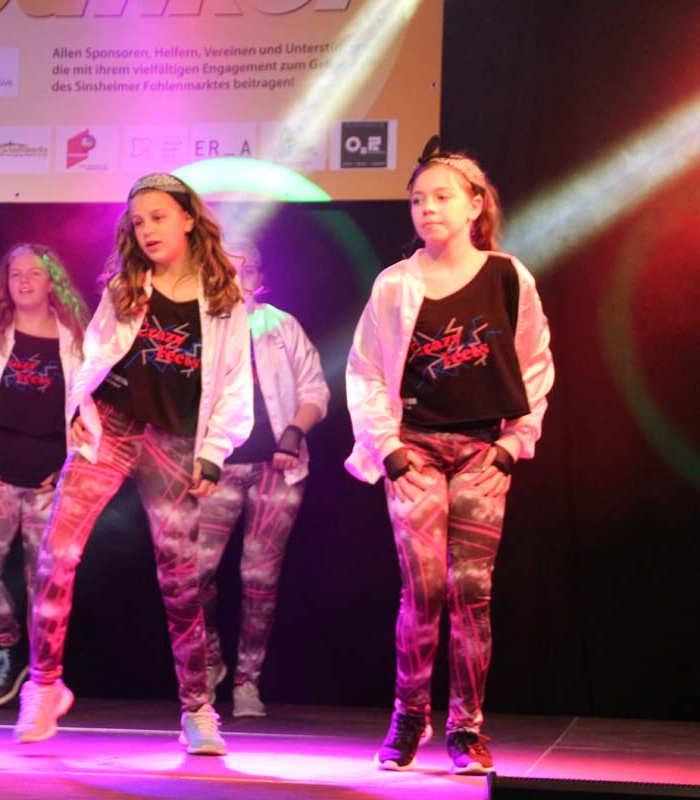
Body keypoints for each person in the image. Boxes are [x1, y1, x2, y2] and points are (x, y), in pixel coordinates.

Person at [13, 172, 253, 756]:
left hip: (175, 443)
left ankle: (197, 709)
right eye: (138, 221)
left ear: (189, 219)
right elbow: (93, 355)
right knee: (57, 553)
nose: (147, 230)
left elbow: (233, 384)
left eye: (159, 217)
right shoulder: (126, 287)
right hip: (113, 427)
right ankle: (43, 685)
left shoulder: (223, 298)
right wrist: (80, 409)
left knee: (181, 578)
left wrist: (213, 453)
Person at [345, 137, 554, 775]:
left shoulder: (508, 276)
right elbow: (365, 371)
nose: (428, 209)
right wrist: (389, 448)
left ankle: (467, 728)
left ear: (474, 205)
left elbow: (534, 363)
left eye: (441, 197)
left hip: (482, 452)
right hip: (416, 451)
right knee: (425, 587)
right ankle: (410, 715)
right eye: (418, 199)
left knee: (471, 589)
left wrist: (513, 443)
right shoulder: (395, 284)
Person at [0, 243, 90, 707]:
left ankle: (41, 677)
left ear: (52, 282)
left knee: (45, 583)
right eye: (16, 274)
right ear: (5, 284)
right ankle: (7, 643)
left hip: (52, 486)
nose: (25, 281)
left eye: (34, 273)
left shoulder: (79, 341)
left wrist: (71, 467)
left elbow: (94, 412)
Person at [195, 241, 329, 718]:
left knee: (259, 577)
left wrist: (292, 433)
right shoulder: (198, 325)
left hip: (277, 469)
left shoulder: (280, 325)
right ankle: (210, 660)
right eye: (225, 267)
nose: (235, 276)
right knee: (193, 571)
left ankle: (248, 681)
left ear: (259, 275)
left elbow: (315, 389)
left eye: (245, 267)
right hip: (216, 468)